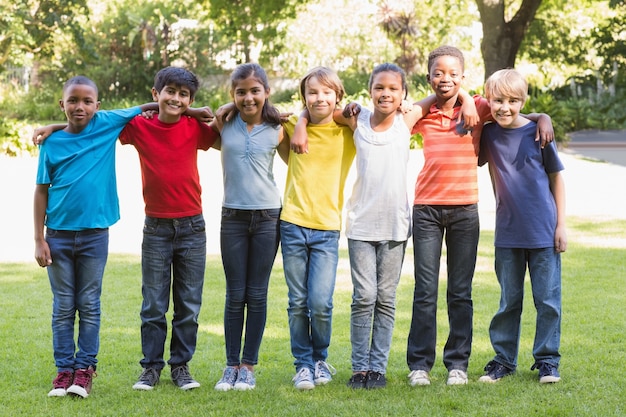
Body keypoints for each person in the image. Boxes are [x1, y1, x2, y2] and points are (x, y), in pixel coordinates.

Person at [406, 45, 554, 387]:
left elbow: (513, 111)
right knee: (425, 290)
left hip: (464, 211)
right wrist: (438, 100)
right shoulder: (422, 113)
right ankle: (420, 365)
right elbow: (404, 119)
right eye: (438, 73)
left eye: (453, 74)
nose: (445, 79)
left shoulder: (482, 107)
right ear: (428, 77)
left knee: (460, 290)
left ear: (463, 77)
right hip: (426, 209)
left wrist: (542, 118)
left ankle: (457, 363)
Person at [34, 76, 156, 398]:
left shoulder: (106, 123)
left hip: (94, 236)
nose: (80, 106)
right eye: (72, 100)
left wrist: (195, 109)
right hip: (57, 236)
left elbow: (149, 106)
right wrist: (38, 238)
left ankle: (85, 370)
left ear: (98, 106)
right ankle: (64, 371)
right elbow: (41, 191)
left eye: (87, 101)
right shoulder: (51, 143)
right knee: (63, 306)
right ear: (62, 104)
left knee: (89, 304)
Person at [117, 67, 218, 391]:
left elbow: (226, 121)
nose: (176, 98)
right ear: (155, 94)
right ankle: (150, 367)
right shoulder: (140, 126)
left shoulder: (193, 127)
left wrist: (197, 112)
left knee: (188, 304)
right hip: (156, 229)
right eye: (169, 91)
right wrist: (140, 110)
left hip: (192, 227)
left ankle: (181, 366)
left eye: (183, 94)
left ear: (190, 100)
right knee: (154, 304)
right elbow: (102, 120)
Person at [477, 69, 566, 384]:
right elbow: (472, 111)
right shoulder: (488, 134)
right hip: (508, 232)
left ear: (523, 101)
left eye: (514, 101)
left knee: (548, 300)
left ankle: (547, 362)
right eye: (498, 100)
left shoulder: (539, 133)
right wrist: (539, 113)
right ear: (488, 100)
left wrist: (561, 226)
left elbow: (557, 178)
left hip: (543, 230)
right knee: (508, 301)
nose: (505, 107)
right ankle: (503, 360)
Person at [210, 63, 289, 391]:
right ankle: (230, 365)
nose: (248, 97)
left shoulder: (278, 127)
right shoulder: (223, 123)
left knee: (256, 293)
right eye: (240, 92)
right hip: (233, 218)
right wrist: (223, 108)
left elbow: (297, 157)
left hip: (268, 217)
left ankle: (248, 366)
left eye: (255, 91)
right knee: (234, 293)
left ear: (266, 92)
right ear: (233, 95)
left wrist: (294, 124)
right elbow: (195, 115)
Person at [280, 66, 356, 390]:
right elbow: (258, 111)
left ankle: (321, 358)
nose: (319, 98)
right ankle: (303, 365)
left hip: (327, 228)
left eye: (327, 92)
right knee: (297, 301)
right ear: (303, 97)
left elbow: (372, 116)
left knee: (321, 303)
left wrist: (308, 119)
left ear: (338, 97)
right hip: (293, 223)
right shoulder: (290, 126)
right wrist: (298, 121)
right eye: (312, 92)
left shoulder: (349, 131)